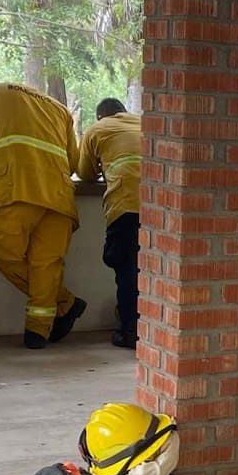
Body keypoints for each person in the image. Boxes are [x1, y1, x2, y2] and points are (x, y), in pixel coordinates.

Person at [0, 82, 86, 349]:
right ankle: (37, 332)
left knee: (7, 255)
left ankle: (65, 303)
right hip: (58, 197)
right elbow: (74, 163)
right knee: (46, 265)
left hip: (17, 187)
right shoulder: (61, 110)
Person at [77, 98, 141, 348]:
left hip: (127, 204)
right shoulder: (143, 124)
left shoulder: (97, 129)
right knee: (154, 269)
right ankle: (150, 329)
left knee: (126, 269)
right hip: (162, 207)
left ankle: (129, 331)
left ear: (100, 116)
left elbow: (85, 173)